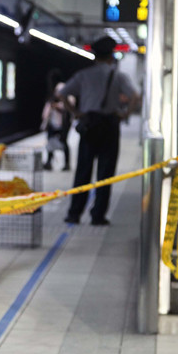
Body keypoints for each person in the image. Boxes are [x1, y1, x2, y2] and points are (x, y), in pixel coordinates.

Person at [61, 36, 141, 225]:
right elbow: (135, 96)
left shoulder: (84, 75)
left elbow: (63, 93)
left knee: (83, 170)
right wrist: (125, 114)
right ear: (112, 56)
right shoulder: (118, 76)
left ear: (95, 56)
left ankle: (74, 213)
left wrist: (76, 113)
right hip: (109, 125)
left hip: (89, 124)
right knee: (105, 173)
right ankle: (98, 215)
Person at [40, 68, 71, 171]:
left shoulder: (61, 87)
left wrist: (56, 106)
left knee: (63, 142)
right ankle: (49, 162)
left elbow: (68, 103)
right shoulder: (55, 89)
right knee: (51, 141)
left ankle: (66, 163)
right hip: (53, 121)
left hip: (62, 121)